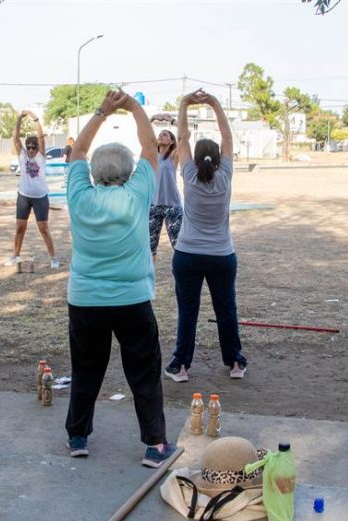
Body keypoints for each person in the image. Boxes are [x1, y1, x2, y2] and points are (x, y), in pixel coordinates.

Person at [64, 89, 174, 468]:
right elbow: (149, 147)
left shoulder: (79, 194)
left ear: (95, 173)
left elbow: (77, 152)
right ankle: (155, 445)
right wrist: (133, 107)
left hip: (86, 301)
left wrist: (100, 112)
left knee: (85, 371)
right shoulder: (137, 193)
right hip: (131, 302)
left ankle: (78, 436)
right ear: (129, 173)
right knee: (144, 374)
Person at [164, 90, 247, 383]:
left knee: (188, 312)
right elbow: (228, 138)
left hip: (188, 255)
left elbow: (182, 139)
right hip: (222, 256)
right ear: (217, 160)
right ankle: (235, 363)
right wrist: (214, 104)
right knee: (226, 310)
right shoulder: (225, 176)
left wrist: (184, 103)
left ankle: (181, 367)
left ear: (196, 160)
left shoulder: (188, 174)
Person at [7, 110, 58, 270]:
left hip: (40, 197)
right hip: (24, 196)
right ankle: (16, 255)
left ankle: (53, 257)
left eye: (33, 147)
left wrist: (36, 119)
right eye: (28, 147)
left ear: (37, 148)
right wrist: (19, 118)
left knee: (43, 228)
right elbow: (15, 137)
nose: (30, 150)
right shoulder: (22, 156)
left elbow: (41, 138)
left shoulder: (40, 157)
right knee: (20, 227)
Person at [147, 118, 182, 259]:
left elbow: (185, 135)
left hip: (172, 206)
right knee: (149, 249)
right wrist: (152, 120)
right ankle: (148, 278)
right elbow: (145, 134)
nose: (161, 135)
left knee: (179, 246)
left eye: (165, 134)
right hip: (153, 206)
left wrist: (172, 121)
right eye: (160, 134)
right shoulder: (151, 156)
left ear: (172, 141)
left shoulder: (173, 156)